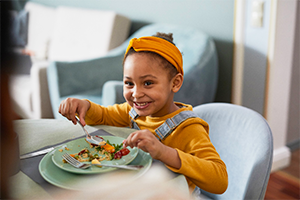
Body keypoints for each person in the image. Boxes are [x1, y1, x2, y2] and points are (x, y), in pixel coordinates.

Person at [59, 32, 228, 194]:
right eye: (129, 83)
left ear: (175, 83)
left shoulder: (188, 128)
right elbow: (103, 115)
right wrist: (85, 105)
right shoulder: (133, 112)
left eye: (147, 83)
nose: (136, 94)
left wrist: (163, 152)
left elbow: (220, 180)